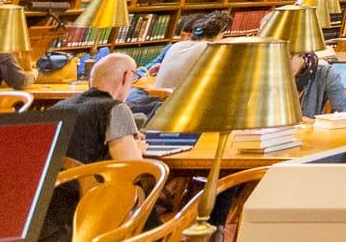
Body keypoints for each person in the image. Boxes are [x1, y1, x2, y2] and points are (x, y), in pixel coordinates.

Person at [44, 55, 145, 242]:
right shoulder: (116, 108)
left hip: (48, 204)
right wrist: (137, 147)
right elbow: (133, 167)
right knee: (139, 191)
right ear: (125, 77)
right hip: (87, 202)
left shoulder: (59, 107)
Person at [149, 13, 228, 94]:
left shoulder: (176, 45)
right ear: (220, 34)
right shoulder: (210, 48)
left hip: (158, 97)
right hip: (178, 101)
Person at [293, 49, 346, 117]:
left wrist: (315, 123)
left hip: (312, 127)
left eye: (288, 58)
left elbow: (344, 115)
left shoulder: (326, 73)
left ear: (302, 54)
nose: (282, 65)